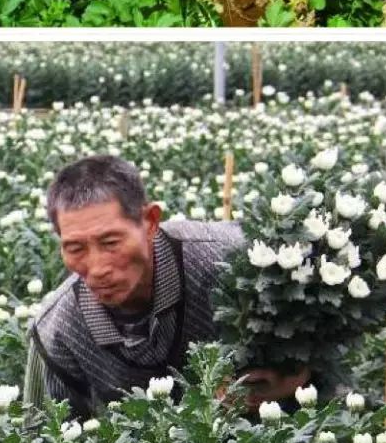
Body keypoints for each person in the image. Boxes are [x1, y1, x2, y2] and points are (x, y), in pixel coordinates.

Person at [25, 155, 311, 419]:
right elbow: (43, 441)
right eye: (75, 248)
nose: (98, 267)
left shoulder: (235, 260)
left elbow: (327, 298)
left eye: (111, 243)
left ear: (150, 222)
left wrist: (297, 371)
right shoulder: (57, 329)